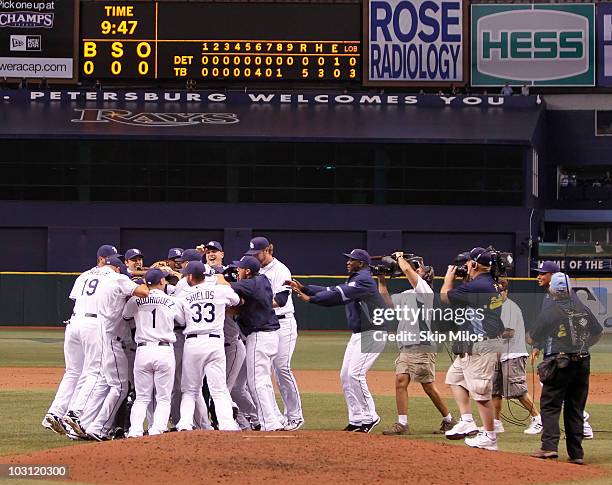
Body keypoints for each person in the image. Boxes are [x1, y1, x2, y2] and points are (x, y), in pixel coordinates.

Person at [290, 249, 387, 433]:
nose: (348, 262)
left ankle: (370, 416)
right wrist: (305, 288)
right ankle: (357, 418)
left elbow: (335, 295)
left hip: (372, 333)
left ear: (362, 263)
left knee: (355, 374)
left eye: (352, 260)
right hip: (359, 334)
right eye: (348, 259)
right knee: (345, 376)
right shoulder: (355, 279)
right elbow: (331, 291)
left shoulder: (363, 279)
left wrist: (311, 299)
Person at [42, 244, 120, 435]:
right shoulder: (115, 276)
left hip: (73, 322)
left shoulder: (84, 275)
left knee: (72, 372)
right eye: (112, 259)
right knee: (94, 371)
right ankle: (75, 413)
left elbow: (76, 298)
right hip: (93, 324)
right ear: (102, 259)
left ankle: (54, 412)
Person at [528, 273, 602, 464]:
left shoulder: (550, 311)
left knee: (551, 405)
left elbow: (533, 337)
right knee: (575, 408)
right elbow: (597, 332)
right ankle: (576, 454)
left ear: (552, 289)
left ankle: (549, 447)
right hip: (582, 362)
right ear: (570, 289)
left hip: (559, 363)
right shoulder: (582, 308)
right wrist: (583, 347)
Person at [378, 252, 455, 436]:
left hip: (422, 345)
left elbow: (406, 269)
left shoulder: (425, 291)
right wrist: (381, 281)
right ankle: (402, 424)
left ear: (426, 276)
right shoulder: (407, 294)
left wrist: (399, 258)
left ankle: (449, 420)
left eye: (419, 269)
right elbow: (388, 303)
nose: (415, 269)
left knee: (427, 386)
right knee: (400, 381)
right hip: (406, 345)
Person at [440, 247, 505, 451]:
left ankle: (489, 436)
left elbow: (445, 297)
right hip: (476, 342)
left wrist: (448, 279)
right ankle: (467, 420)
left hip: (483, 344)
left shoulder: (479, 285)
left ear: (475, 264)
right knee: (455, 378)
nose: (465, 265)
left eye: (468, 262)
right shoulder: (487, 283)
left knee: (480, 391)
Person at [531, 261, 594, 439]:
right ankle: (580, 422)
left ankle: (583, 422)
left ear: (554, 276)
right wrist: (538, 346)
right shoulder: (550, 296)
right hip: (556, 351)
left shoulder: (566, 298)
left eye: (543, 273)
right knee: (552, 386)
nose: (539, 276)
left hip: (564, 354)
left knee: (556, 389)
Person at [247, 236, 304, 431]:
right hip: (266, 324)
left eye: (258, 252)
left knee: (282, 368)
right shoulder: (256, 269)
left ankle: (295, 415)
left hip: (283, 322)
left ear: (268, 250)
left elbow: (280, 300)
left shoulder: (281, 270)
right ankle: (276, 416)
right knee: (265, 373)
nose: (255, 255)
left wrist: (253, 303)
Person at [177, 261, 240, 431]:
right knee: (218, 389)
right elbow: (236, 300)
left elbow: (181, 320)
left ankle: (184, 423)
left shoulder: (183, 294)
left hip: (193, 341)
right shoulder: (220, 290)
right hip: (215, 342)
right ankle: (227, 424)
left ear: (190, 276)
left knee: (190, 390)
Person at [122, 269, 183, 437]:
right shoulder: (171, 300)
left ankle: (135, 431)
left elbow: (125, 315)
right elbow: (182, 321)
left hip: (143, 350)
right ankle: (157, 429)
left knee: (142, 397)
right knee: (163, 397)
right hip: (164, 349)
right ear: (162, 282)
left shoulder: (136, 299)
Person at [230, 255, 283, 431]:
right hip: (270, 335)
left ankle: (270, 422)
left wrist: (219, 276)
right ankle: (275, 418)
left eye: (239, 268)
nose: (237, 271)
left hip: (260, 336)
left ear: (247, 271)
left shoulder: (251, 283)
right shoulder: (262, 280)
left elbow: (225, 285)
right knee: (264, 381)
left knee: (256, 382)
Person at [492, 279, 542, 435]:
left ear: (506, 291)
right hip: (500, 355)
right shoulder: (496, 308)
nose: (498, 293)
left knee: (518, 390)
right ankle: (496, 423)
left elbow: (509, 332)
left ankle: (538, 419)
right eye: (495, 290)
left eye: (500, 290)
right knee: (495, 391)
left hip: (513, 354)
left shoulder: (510, 308)